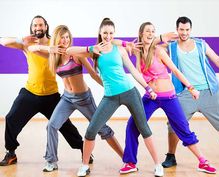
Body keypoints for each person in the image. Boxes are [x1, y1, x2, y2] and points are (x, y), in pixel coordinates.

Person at [67, 18, 164, 177]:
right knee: (91, 130)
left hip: (129, 92)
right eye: (105, 33)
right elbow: (69, 51)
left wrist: (147, 87)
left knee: (144, 128)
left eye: (111, 33)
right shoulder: (94, 51)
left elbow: (133, 71)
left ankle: (158, 165)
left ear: (114, 34)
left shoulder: (119, 50)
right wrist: (91, 47)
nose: (108, 36)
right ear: (100, 33)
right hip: (110, 97)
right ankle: (84, 166)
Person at [119, 21, 216, 174]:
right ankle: (130, 162)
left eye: (153, 31)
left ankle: (203, 161)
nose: (150, 34)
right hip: (150, 96)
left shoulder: (159, 51)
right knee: (132, 125)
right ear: (141, 34)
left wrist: (191, 88)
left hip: (168, 97)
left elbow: (176, 71)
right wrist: (136, 52)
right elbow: (139, 73)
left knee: (182, 128)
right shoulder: (138, 52)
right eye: (147, 31)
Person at [27, 25, 124, 172]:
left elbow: (93, 74)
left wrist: (109, 88)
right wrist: (50, 49)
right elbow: (31, 48)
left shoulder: (76, 54)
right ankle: (51, 161)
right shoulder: (54, 56)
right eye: (62, 37)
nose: (65, 40)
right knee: (51, 126)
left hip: (84, 98)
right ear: (56, 38)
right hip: (67, 98)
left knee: (103, 129)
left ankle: (126, 158)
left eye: (67, 37)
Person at [0, 15, 85, 166]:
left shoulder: (55, 43)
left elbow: (67, 49)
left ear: (46, 27)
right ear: (32, 28)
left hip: (51, 95)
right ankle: (11, 153)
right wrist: (21, 38)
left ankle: (83, 148)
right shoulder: (27, 43)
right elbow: (3, 41)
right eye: (35, 25)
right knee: (11, 118)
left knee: (65, 125)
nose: (38, 28)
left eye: (41, 25)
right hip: (30, 93)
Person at [162, 16, 219, 168]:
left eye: (187, 29)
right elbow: (150, 46)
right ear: (177, 29)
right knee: (174, 124)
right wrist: (162, 37)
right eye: (181, 29)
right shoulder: (171, 47)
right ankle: (171, 156)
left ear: (191, 29)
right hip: (185, 93)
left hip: (209, 91)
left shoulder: (201, 44)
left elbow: (217, 59)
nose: (184, 32)